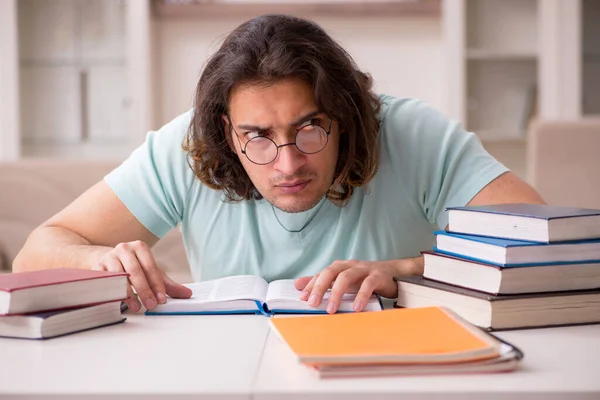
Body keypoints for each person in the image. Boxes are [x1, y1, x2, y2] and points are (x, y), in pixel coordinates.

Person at [13, 14, 544, 314]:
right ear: (226, 132)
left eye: (310, 129)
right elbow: (37, 252)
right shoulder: (186, 145)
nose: (287, 163)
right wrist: (100, 262)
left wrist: (404, 270)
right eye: (258, 137)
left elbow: (544, 242)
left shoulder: (413, 135)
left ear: (346, 115)